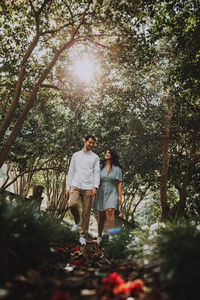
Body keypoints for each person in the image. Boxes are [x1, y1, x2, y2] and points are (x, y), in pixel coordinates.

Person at [66, 134, 100, 245]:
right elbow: (71, 171)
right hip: (76, 184)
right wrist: (68, 186)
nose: (91, 145)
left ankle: (82, 236)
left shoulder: (95, 157)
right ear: (84, 141)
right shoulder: (76, 155)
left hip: (89, 187)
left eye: (93, 143)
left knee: (86, 213)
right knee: (72, 204)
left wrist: (95, 187)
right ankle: (77, 221)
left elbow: (96, 173)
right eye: (89, 142)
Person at [93, 149, 122, 243]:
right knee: (101, 216)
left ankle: (111, 237)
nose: (106, 154)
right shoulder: (100, 167)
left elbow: (119, 183)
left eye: (109, 153)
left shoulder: (117, 168)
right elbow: (94, 178)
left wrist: (120, 196)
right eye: (106, 152)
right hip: (101, 191)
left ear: (112, 155)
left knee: (110, 211)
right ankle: (99, 236)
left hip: (112, 191)